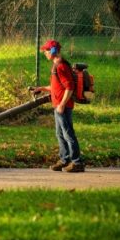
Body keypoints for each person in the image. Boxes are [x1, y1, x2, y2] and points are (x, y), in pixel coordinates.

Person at [33, 40, 85, 172]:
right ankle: (64, 160)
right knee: (60, 134)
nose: (44, 53)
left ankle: (77, 162)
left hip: (63, 106)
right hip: (58, 105)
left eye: (46, 51)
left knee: (68, 133)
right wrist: (42, 88)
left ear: (53, 51)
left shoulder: (60, 66)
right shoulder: (56, 66)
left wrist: (62, 104)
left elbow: (69, 87)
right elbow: (57, 87)